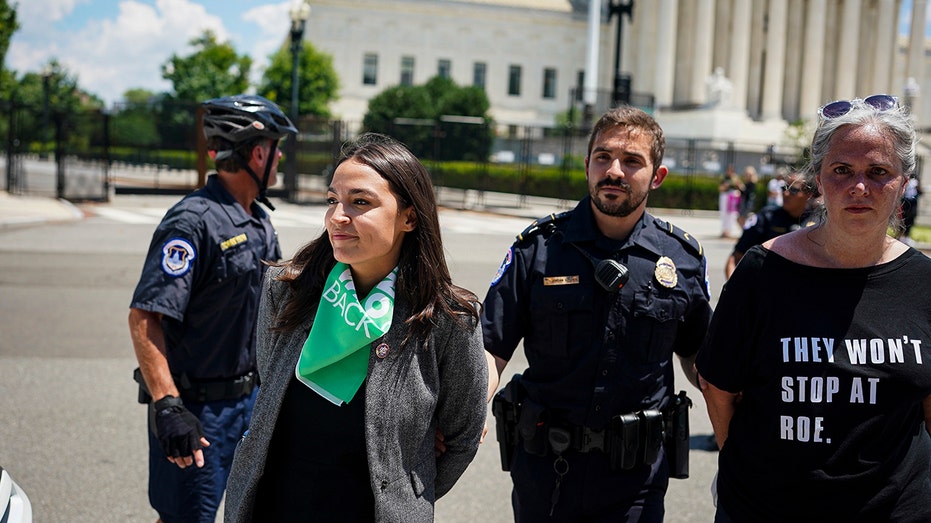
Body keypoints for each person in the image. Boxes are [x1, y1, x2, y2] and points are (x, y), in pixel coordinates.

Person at [224, 133, 488, 522]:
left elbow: (462, 436)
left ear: (409, 217)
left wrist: (406, 491)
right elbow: (269, 381)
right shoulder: (287, 290)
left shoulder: (449, 320)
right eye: (333, 201)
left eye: (360, 202)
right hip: (276, 505)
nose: (337, 217)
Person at [697, 94, 931, 521]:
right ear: (819, 181)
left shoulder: (924, 284)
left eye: (878, 172)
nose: (859, 186)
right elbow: (718, 388)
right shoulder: (762, 272)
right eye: (842, 170)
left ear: (903, 182)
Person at [483, 106, 713, 522]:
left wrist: (742, 415)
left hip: (636, 478)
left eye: (632, 161)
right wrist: (464, 411)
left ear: (656, 176)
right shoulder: (537, 249)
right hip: (545, 469)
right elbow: (491, 348)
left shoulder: (682, 259)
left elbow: (700, 358)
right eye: (603, 157)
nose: (614, 171)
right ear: (587, 164)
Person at [128, 94, 297, 523]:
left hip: (250, 402)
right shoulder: (192, 222)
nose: (279, 160)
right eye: (277, 149)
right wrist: (168, 407)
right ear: (258, 153)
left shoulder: (258, 219)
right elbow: (145, 316)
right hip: (198, 412)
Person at [724, 171, 816, 278]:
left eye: (793, 190)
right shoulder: (766, 217)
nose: (785, 194)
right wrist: (734, 290)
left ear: (808, 194)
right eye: (784, 188)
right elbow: (735, 258)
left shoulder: (820, 221)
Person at [718, 166, 744, 238]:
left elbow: (741, 187)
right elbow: (720, 188)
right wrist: (725, 186)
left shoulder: (735, 178)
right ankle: (724, 230)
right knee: (724, 213)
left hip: (733, 197)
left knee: (731, 214)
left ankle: (728, 230)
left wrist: (737, 184)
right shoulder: (724, 178)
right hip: (725, 197)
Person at [899, 175, 922, 243]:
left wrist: (917, 187)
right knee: (903, 221)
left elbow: (920, 192)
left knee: (910, 221)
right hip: (905, 205)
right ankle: (901, 236)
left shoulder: (916, 186)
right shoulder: (906, 185)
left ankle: (906, 237)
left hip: (913, 206)